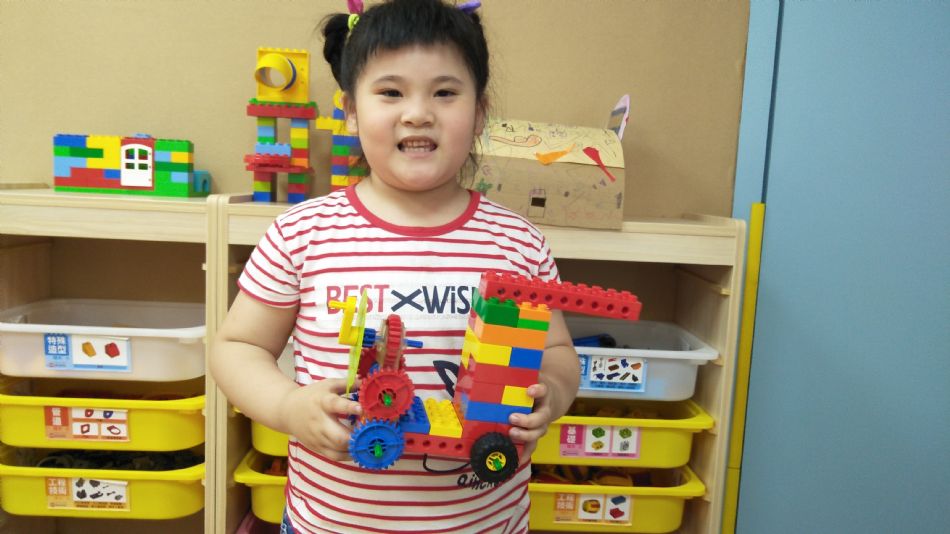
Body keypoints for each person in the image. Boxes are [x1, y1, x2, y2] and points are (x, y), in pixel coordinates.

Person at [210, 1, 579, 532]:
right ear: (350, 110)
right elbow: (237, 347)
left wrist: (552, 392)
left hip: (484, 522)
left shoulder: (518, 242)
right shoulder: (302, 233)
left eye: (445, 93)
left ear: (479, 113)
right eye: (390, 92)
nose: (418, 113)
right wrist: (289, 406)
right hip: (331, 523)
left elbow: (559, 353)